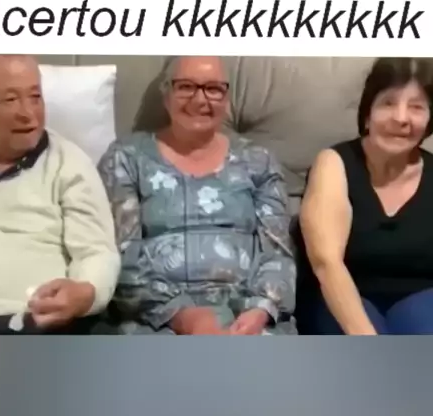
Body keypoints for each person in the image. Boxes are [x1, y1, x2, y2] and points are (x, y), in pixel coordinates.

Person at [98, 56, 296, 335]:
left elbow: (278, 254)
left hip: (246, 317)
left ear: (226, 98)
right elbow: (120, 258)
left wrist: (260, 309)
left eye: (213, 89)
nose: (200, 99)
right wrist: (182, 316)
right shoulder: (126, 158)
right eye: (186, 86)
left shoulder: (259, 161)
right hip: (156, 320)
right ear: (166, 94)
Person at [0, 54, 119, 334]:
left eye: (35, 96)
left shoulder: (69, 163)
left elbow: (96, 252)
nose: (28, 113)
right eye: (10, 100)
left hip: (43, 323)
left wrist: (84, 293)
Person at [297, 57, 433, 335]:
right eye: (388, 103)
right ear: (368, 113)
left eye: (417, 107)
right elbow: (326, 262)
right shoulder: (333, 164)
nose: (401, 118)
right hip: (341, 296)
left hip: (421, 297)